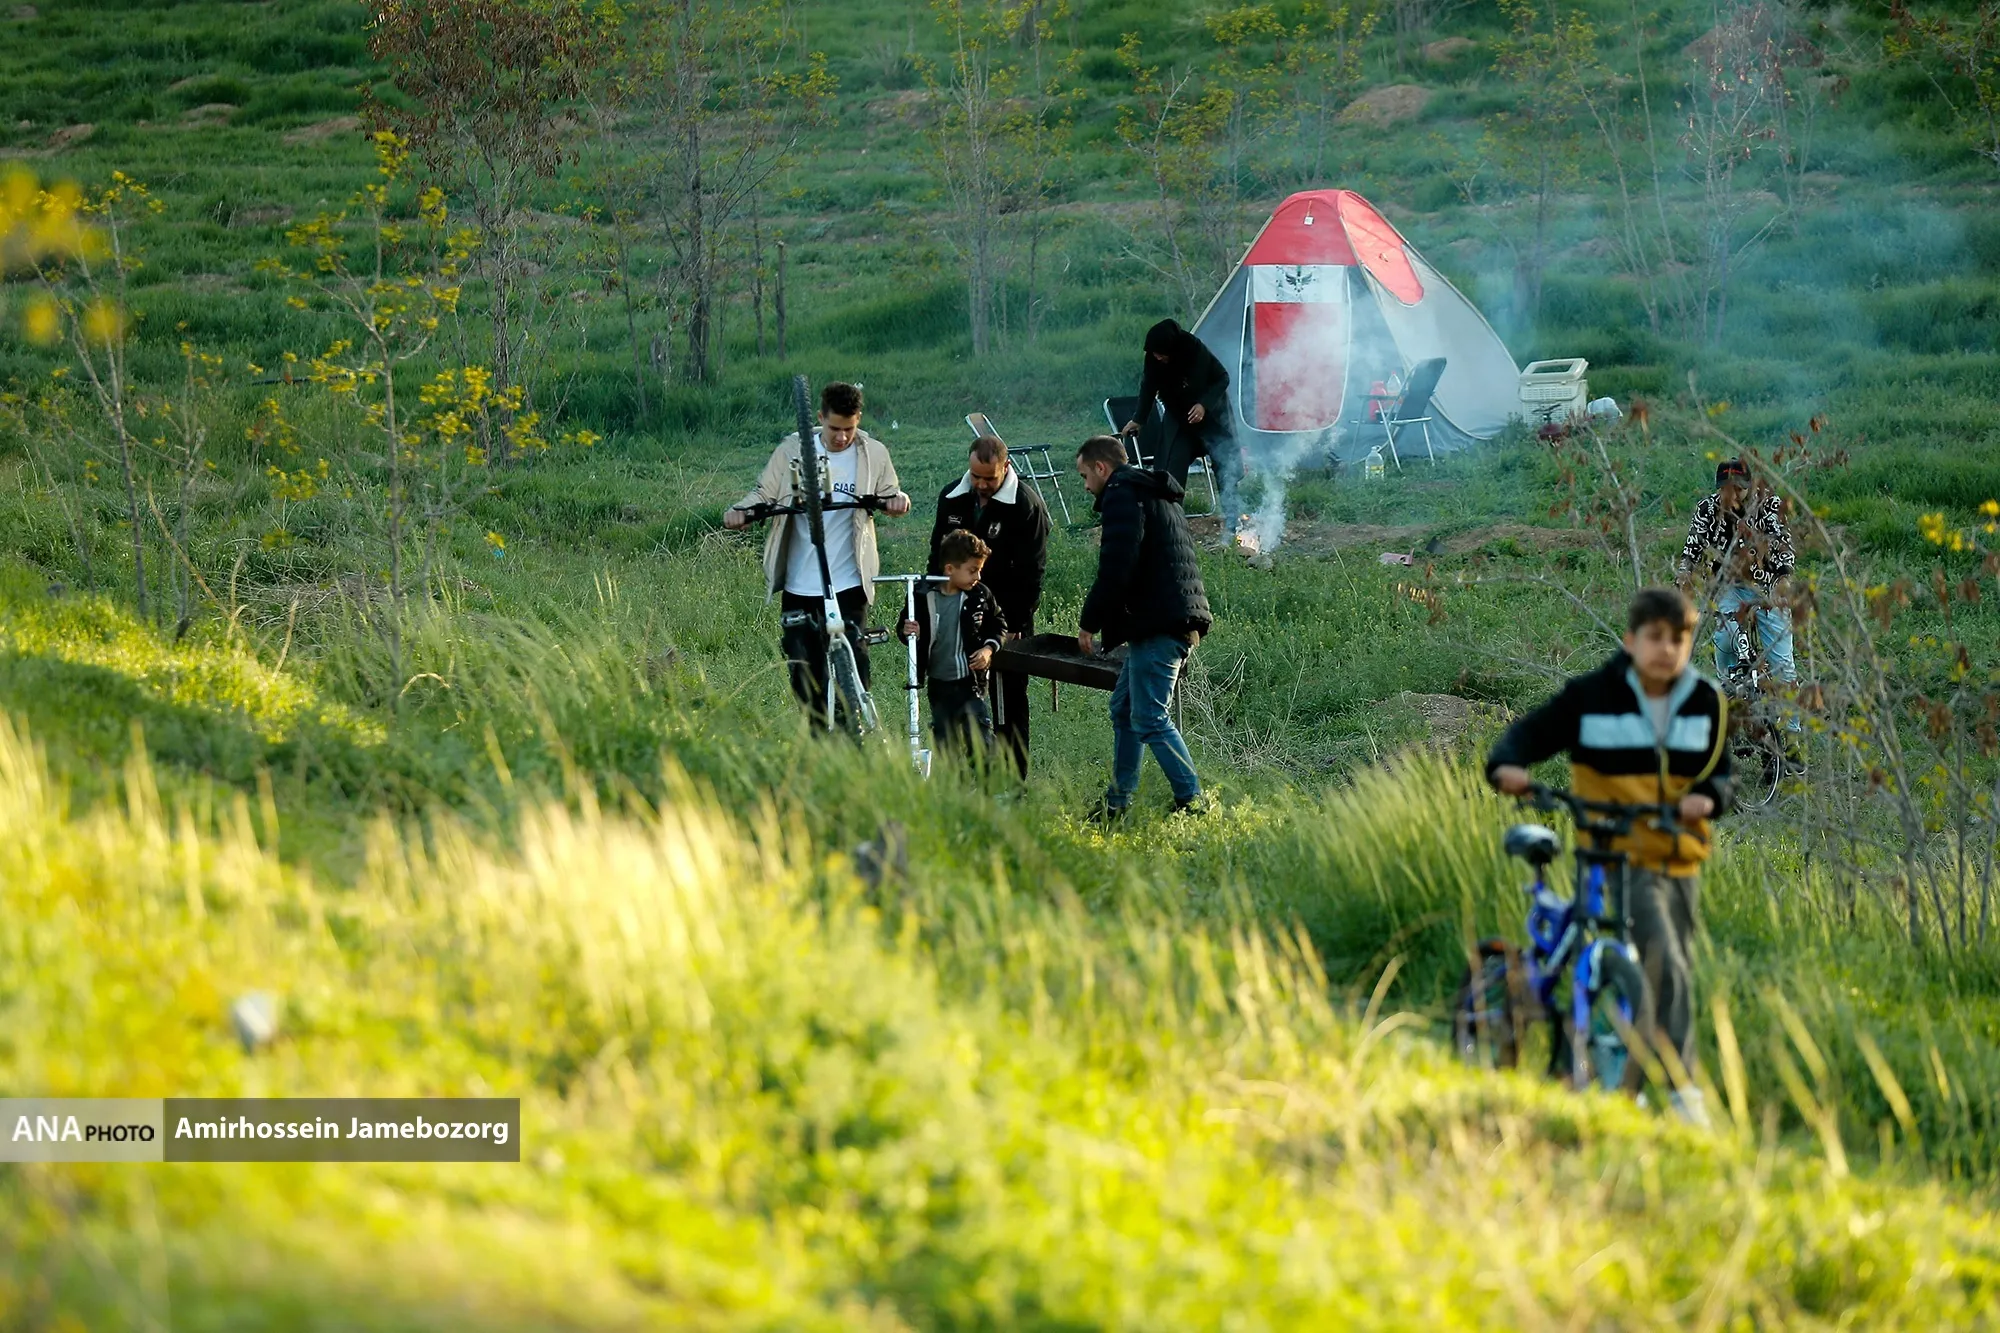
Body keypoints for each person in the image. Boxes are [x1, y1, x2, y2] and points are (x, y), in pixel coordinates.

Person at [1486, 586, 1734, 1125]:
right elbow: (1532, 732)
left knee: (1669, 968)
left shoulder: (1705, 700)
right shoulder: (1593, 695)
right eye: (1655, 637)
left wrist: (1709, 797)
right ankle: (1682, 1096)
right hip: (1615, 852)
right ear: (1630, 640)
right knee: (1663, 964)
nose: (1666, 649)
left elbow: (1721, 775)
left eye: (1678, 639)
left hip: (1680, 859)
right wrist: (1507, 764)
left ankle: (1620, 1080)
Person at [724, 380, 911, 725]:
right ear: (820, 418)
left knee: (854, 660)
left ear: (858, 420)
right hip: (800, 584)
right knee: (803, 673)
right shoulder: (792, 450)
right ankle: (817, 736)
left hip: (849, 581)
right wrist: (740, 511)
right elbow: (764, 493)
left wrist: (898, 502)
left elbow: (892, 493)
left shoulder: (872, 453)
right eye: (835, 428)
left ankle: (855, 730)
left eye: (849, 429)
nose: (842, 437)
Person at [1074, 434, 1214, 820]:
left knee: (1150, 717)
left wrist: (1089, 623)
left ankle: (1193, 802)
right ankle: (1117, 803)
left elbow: (1117, 565)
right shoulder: (1149, 491)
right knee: (1124, 709)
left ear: (1101, 467)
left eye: (1085, 476)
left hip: (1161, 623)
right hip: (1166, 617)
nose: (1086, 486)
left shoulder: (1123, 493)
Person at [928, 435, 1051, 776]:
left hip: (1007, 618)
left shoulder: (1026, 505)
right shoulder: (952, 497)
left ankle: (1013, 780)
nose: (981, 485)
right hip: (956, 615)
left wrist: (1016, 622)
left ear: (1006, 467)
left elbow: (1032, 572)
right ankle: (966, 777)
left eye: (989, 478)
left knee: (1009, 701)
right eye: (976, 476)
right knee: (959, 696)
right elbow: (937, 557)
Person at [1676, 458, 1799, 709]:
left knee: (1782, 663)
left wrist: (1784, 580)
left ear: (1749, 486)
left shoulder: (1769, 505)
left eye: (1738, 489)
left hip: (1768, 587)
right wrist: (1683, 576)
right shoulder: (1707, 509)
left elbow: (1784, 545)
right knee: (1724, 642)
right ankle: (1729, 700)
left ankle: (1791, 728)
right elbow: (1692, 549)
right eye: (1725, 489)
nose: (1731, 496)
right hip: (1728, 587)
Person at [1120, 318, 1245, 540]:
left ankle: (1232, 526)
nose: (1157, 357)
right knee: (1171, 469)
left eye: (1161, 353)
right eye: (1154, 354)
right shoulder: (1154, 358)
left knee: (1225, 466)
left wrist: (1203, 405)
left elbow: (1222, 378)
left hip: (1212, 417)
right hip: (1180, 417)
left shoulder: (1194, 349)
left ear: (1172, 347)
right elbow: (1148, 387)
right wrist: (1138, 419)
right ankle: (1170, 526)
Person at [901, 529, 1008, 759]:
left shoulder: (979, 595)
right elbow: (905, 627)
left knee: (981, 741)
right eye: (972, 570)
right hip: (939, 685)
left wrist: (988, 650)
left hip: (970, 683)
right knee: (946, 745)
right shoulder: (922, 595)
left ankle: (986, 780)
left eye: (979, 570)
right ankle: (954, 780)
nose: (978, 576)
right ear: (949, 569)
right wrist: (909, 631)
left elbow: (999, 625)